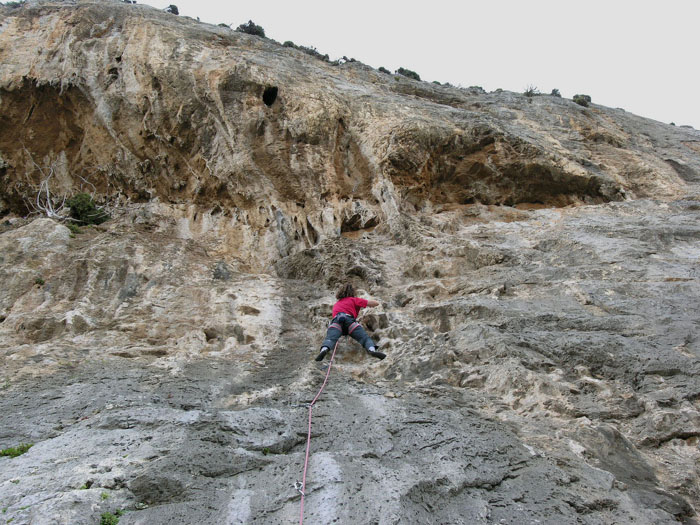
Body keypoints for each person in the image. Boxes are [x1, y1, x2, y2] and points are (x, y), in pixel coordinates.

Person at [315, 283, 386, 361]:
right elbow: (374, 303)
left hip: (337, 322)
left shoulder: (336, 304)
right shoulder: (354, 300)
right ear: (352, 293)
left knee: (330, 339)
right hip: (350, 322)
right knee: (365, 338)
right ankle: (372, 350)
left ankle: (324, 350)